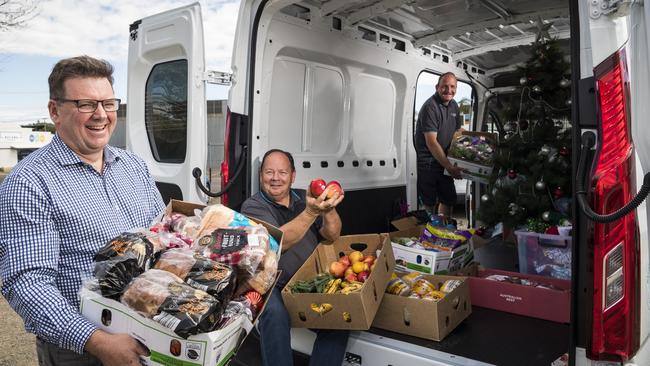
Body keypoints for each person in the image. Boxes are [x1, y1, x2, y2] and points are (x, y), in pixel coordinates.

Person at [0, 56, 165, 366]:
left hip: (153, 330)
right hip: (83, 351)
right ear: (54, 111)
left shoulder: (134, 166)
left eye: (108, 103)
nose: (101, 115)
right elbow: (28, 284)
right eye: (86, 104)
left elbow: (163, 236)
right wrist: (97, 342)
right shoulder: (28, 183)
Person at [240, 149, 349, 366]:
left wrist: (327, 207)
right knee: (275, 316)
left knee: (339, 320)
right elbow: (277, 243)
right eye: (269, 172)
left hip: (306, 283)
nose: (275, 178)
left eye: (282, 172)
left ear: (293, 176)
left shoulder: (304, 199)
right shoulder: (253, 206)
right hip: (270, 283)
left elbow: (332, 233)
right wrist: (311, 212)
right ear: (261, 175)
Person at [414, 72, 464, 217]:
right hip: (429, 162)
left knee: (448, 200)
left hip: (444, 161)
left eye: (452, 86)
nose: (449, 90)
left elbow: (458, 131)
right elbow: (431, 142)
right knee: (429, 204)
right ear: (437, 87)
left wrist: (475, 138)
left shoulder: (454, 105)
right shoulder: (430, 107)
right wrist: (449, 166)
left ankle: (444, 232)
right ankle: (428, 235)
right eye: (445, 86)